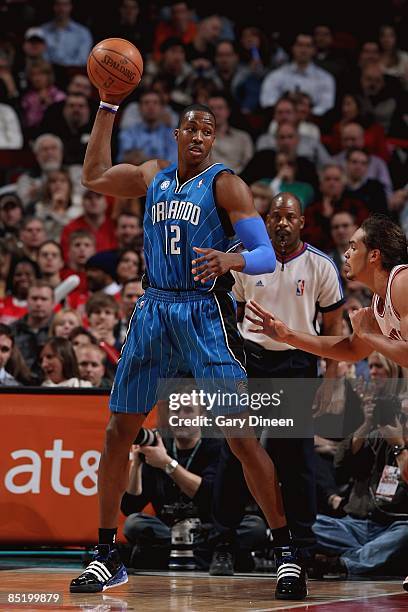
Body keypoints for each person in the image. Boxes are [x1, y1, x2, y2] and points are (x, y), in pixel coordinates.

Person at [69, 93, 305, 601]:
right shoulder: (152, 175)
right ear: (175, 135)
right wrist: (108, 107)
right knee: (118, 432)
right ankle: (106, 554)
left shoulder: (226, 184)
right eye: (190, 129)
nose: (198, 137)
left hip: (204, 313)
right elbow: (92, 176)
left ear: (212, 139)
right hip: (154, 308)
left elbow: (265, 254)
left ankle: (285, 551)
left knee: (241, 440)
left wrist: (229, 261)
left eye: (207, 131)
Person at [210, 192, 344, 576]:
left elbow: (333, 328)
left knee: (296, 459)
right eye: (276, 217)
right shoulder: (245, 258)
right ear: (265, 222)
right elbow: (225, 314)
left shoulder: (321, 265)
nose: (282, 223)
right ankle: (224, 541)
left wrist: (331, 381)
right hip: (248, 360)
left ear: (302, 222)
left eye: (290, 217)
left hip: (297, 362)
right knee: (236, 452)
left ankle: (301, 548)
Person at [121, 392, 266, 570]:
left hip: (210, 529)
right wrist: (136, 465)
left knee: (254, 526)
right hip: (170, 531)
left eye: (188, 410)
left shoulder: (217, 446)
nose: (181, 416)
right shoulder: (159, 447)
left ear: (202, 416)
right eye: (176, 411)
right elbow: (130, 508)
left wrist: (167, 464)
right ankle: (205, 557)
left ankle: (177, 555)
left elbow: (209, 496)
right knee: (134, 524)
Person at [260, 33, 336, 117]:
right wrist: (286, 112)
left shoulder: (325, 78)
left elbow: (326, 106)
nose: (303, 50)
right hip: (281, 120)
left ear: (314, 50)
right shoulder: (276, 75)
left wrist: (305, 114)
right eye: (299, 45)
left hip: (312, 121)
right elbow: (267, 101)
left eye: (308, 46)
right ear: (293, 48)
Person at [11, 280, 55, 379]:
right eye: (34, 298)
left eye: (44, 299)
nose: (38, 303)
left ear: (53, 303)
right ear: (27, 300)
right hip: (15, 386)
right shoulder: (12, 330)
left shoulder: (60, 330)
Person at [40, 0, 93, 67]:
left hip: (73, 72)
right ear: (53, 7)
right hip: (47, 72)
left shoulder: (82, 33)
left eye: (65, 5)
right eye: (58, 4)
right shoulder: (42, 31)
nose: (61, 9)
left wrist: (62, 66)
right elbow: (40, 56)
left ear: (70, 7)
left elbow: (82, 60)